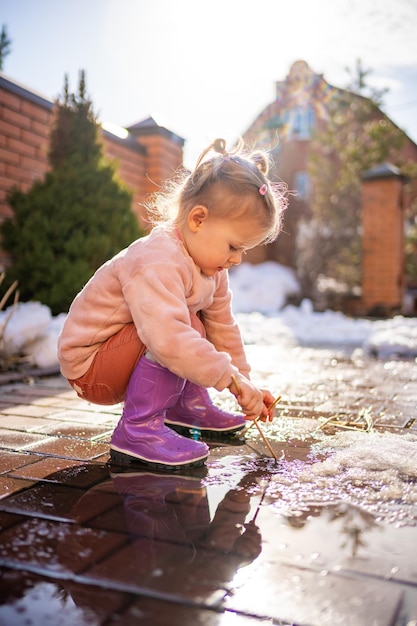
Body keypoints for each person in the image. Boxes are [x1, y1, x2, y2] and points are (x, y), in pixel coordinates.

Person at [58, 137, 287, 470]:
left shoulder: (212, 269)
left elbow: (223, 327)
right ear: (197, 219)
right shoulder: (157, 259)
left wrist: (244, 383)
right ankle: (137, 430)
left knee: (198, 324)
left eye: (243, 251)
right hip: (90, 365)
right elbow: (167, 339)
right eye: (234, 246)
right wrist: (229, 378)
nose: (237, 259)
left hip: (126, 353)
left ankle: (187, 409)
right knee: (184, 329)